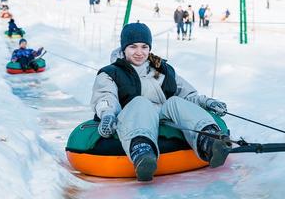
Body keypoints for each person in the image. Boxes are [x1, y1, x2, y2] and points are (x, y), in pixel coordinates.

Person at [90, 23, 230, 182]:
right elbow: (105, 97)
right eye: (133, 47)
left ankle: (209, 141)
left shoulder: (159, 69)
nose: (139, 52)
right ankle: (142, 153)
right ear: (124, 48)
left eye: (144, 47)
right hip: (132, 117)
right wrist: (107, 114)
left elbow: (186, 93)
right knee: (140, 102)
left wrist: (206, 102)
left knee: (175, 102)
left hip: (162, 115)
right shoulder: (114, 72)